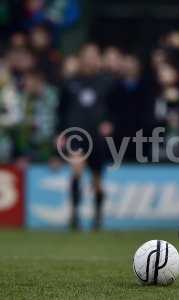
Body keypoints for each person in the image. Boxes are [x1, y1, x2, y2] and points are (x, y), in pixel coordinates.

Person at [57, 43, 114, 230]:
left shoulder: (106, 82)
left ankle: (97, 217)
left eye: (94, 55)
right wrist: (59, 133)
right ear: (80, 58)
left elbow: (116, 109)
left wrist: (110, 123)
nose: (90, 59)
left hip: (97, 136)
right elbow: (61, 109)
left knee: (97, 180)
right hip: (75, 133)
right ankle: (74, 215)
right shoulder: (70, 82)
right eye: (87, 55)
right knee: (77, 169)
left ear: (98, 59)